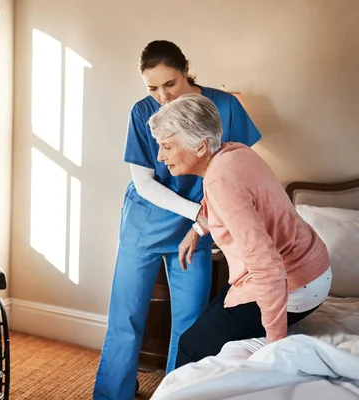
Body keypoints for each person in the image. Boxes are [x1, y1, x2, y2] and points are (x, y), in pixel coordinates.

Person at [93, 40, 262, 400]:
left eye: (170, 84)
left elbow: (237, 163)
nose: (163, 96)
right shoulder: (142, 113)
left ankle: (177, 393)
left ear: (186, 69)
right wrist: (198, 213)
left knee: (189, 322)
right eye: (152, 87)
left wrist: (208, 219)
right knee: (126, 319)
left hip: (196, 231)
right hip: (146, 223)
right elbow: (143, 182)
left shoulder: (226, 106)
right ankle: (112, 395)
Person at [146, 93, 331, 368]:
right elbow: (224, 203)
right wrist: (197, 229)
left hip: (293, 283)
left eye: (167, 147)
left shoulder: (220, 180)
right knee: (219, 306)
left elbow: (266, 264)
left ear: (200, 147)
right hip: (316, 271)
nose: (161, 156)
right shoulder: (234, 152)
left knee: (191, 346)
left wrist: (275, 344)